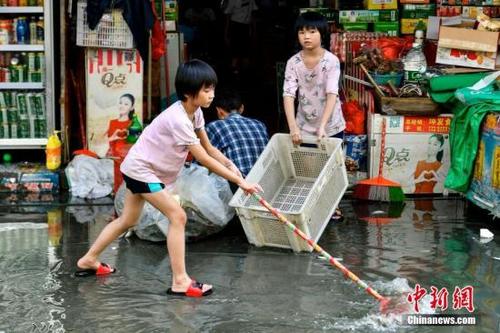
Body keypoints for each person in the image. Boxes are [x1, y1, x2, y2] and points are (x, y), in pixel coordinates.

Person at [76, 59, 262, 297]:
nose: (212, 95)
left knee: (127, 220)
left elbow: (209, 149)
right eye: (206, 90)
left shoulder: (194, 115)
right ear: (188, 92)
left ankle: (89, 259)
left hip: (139, 168)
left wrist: (230, 165)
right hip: (142, 172)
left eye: (212, 89)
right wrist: (241, 183)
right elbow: (203, 158)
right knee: (178, 216)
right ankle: (180, 281)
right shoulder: (179, 119)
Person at [283, 11, 345, 145]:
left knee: (332, 165)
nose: (306, 37)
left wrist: (322, 126)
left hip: (330, 126)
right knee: (307, 166)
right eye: (301, 32)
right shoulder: (293, 62)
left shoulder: (331, 61)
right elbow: (288, 94)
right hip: (302, 128)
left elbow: (332, 93)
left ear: (322, 33)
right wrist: (293, 127)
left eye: (312, 32)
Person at [206, 88, 269, 182]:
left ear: (219, 111)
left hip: (238, 185)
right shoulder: (260, 124)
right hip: (264, 180)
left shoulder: (214, 126)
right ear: (242, 108)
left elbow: (202, 162)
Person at [105, 93, 136, 193]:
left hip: (128, 158)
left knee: (128, 184)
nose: (122, 105)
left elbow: (137, 142)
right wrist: (113, 137)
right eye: (121, 102)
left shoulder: (133, 124)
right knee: (118, 183)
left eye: (126, 104)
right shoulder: (112, 122)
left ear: (132, 108)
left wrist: (129, 136)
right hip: (115, 158)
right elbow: (105, 142)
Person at [223, 0, 258, 74]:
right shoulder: (233, 1)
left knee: (246, 52)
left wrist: (254, 30)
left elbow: (253, 15)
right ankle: (234, 72)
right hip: (235, 26)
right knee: (235, 51)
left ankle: (245, 73)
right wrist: (226, 33)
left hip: (246, 27)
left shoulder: (251, 1)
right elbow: (228, 17)